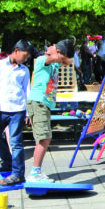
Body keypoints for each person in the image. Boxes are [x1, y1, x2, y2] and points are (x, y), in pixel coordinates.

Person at [26, 39, 75, 183]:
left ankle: (36, 171)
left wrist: (61, 51)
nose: (51, 47)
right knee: (44, 138)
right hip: (38, 102)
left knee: (44, 138)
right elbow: (55, 57)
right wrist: (56, 51)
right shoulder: (42, 60)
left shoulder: (55, 62)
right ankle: (34, 173)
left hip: (44, 104)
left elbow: (68, 62)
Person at [0, 40, 33, 186]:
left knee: (16, 143)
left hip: (17, 110)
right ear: (16, 51)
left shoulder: (24, 70)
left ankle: (18, 174)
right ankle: (7, 162)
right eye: (25, 55)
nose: (26, 59)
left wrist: (28, 112)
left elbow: (27, 90)